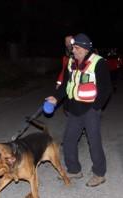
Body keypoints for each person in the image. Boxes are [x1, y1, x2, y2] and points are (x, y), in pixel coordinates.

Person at [46, 33, 112, 187]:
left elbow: (106, 88)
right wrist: (55, 98)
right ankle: (74, 170)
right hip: (74, 109)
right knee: (68, 141)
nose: (72, 51)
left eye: (75, 48)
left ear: (84, 48)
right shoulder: (71, 62)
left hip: (90, 109)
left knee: (94, 142)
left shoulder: (98, 62)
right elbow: (65, 85)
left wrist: (95, 107)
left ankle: (99, 173)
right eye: (71, 48)